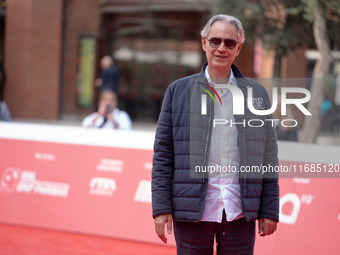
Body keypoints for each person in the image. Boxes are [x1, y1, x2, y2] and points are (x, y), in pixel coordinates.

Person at [152, 14, 279, 255]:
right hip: (191, 212)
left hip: (239, 212)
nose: (221, 48)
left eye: (229, 43)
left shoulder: (257, 94)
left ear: (239, 48)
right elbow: (163, 156)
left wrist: (269, 209)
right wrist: (161, 208)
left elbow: (268, 158)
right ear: (204, 43)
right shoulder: (177, 92)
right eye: (215, 41)